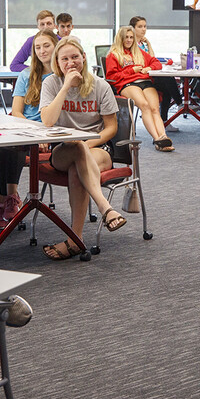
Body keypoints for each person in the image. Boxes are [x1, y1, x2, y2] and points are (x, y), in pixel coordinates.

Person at [38, 37, 124, 260]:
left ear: (84, 58)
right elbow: (47, 121)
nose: (70, 63)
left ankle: (75, 239)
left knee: (79, 165)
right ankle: (106, 208)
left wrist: (86, 145)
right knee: (75, 148)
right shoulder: (51, 83)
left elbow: (111, 128)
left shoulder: (100, 85)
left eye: (75, 57)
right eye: (64, 59)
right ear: (57, 62)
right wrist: (65, 86)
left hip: (97, 147)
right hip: (63, 150)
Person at [0, 30, 58, 224]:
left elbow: (63, 115)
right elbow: (17, 111)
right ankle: (6, 199)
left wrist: (42, 136)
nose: (42, 51)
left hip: (50, 132)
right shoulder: (26, 74)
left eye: (46, 46)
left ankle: (9, 198)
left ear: (56, 46)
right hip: (25, 127)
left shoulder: (61, 76)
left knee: (15, 145)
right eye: (37, 47)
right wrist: (30, 131)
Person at [104, 26, 173, 151]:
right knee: (144, 106)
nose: (129, 40)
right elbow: (112, 77)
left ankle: (164, 138)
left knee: (155, 108)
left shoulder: (138, 52)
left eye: (131, 37)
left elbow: (156, 63)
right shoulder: (113, 55)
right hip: (127, 84)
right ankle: (157, 139)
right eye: (126, 37)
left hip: (145, 82)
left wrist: (149, 68)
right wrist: (131, 70)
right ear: (120, 38)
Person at [129, 15, 181, 131]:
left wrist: (148, 43)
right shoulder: (131, 44)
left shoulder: (143, 43)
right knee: (168, 80)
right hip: (140, 78)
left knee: (166, 89)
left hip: (149, 74)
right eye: (140, 27)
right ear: (132, 28)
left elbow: (152, 58)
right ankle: (180, 103)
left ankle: (164, 122)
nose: (144, 29)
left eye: (145, 26)